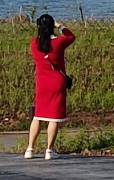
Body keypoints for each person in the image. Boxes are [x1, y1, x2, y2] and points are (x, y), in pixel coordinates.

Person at [25, 13, 76, 160]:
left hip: (42, 84)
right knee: (54, 117)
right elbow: (71, 36)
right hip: (57, 83)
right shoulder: (59, 42)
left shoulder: (34, 43)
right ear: (51, 26)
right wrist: (60, 26)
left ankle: (30, 148)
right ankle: (49, 149)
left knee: (38, 116)